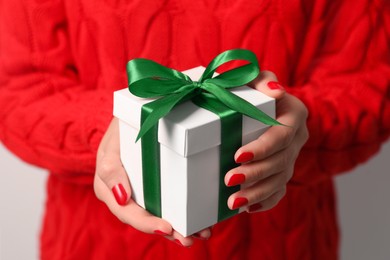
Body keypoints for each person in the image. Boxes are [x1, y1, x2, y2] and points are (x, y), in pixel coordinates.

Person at [0, 0, 389, 259]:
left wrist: (293, 125)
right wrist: (111, 132)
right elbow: (15, 91)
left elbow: (374, 86)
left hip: (285, 242)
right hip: (93, 245)